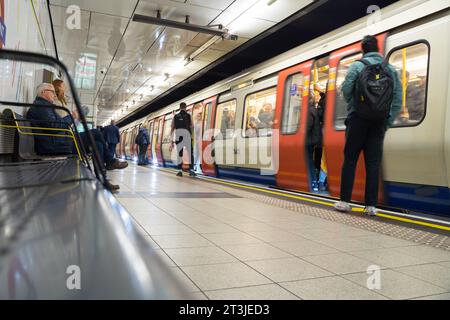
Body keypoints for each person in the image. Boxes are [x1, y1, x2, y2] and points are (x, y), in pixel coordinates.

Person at [334, 35, 402, 216]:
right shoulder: (390, 70)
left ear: (363, 48)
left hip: (358, 120)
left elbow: (346, 89)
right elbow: (397, 99)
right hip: (378, 122)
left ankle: (344, 202)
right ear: (378, 48)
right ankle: (371, 206)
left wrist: (353, 106)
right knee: (373, 164)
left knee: (350, 160)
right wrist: (387, 120)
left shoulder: (357, 66)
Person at [27, 83, 125, 190]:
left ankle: (103, 180)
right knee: (96, 133)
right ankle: (110, 161)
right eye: (52, 92)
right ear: (43, 92)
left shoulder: (43, 106)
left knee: (97, 145)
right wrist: (73, 116)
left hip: (59, 141)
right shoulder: (41, 107)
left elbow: (55, 125)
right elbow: (55, 126)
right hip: (56, 144)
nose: (55, 95)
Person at [170, 102, 196, 177]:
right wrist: (192, 136)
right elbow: (192, 126)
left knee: (179, 154)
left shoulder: (175, 116)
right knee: (190, 153)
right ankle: (191, 170)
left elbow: (172, 128)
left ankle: (179, 171)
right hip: (187, 136)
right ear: (186, 107)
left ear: (179, 107)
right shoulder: (189, 115)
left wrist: (171, 140)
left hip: (178, 137)